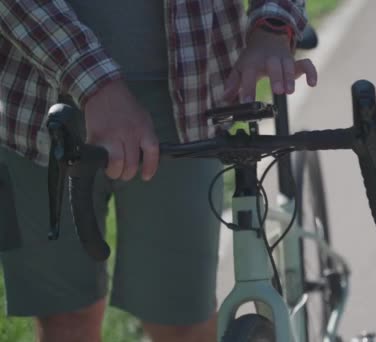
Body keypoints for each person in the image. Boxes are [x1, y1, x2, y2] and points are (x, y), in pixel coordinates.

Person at [0, 0, 317, 341]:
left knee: (183, 324)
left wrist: (273, 24)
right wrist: (94, 81)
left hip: (186, 100)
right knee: (64, 322)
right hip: (37, 96)